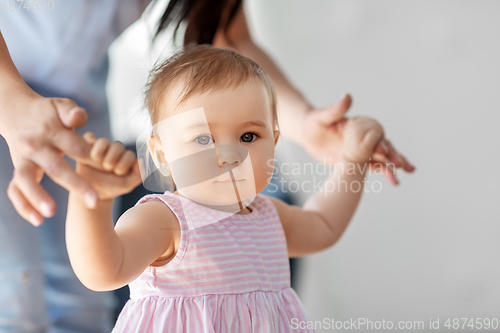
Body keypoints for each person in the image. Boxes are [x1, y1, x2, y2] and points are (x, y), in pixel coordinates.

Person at [0, 0, 414, 331]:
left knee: (74, 312)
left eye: (249, 137)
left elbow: (324, 226)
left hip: (70, 97)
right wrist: (92, 203)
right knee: (18, 302)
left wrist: (353, 161)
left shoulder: (270, 218)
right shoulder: (165, 220)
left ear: (274, 140)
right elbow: (103, 271)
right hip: (18, 101)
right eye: (202, 138)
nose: (228, 154)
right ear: (161, 154)